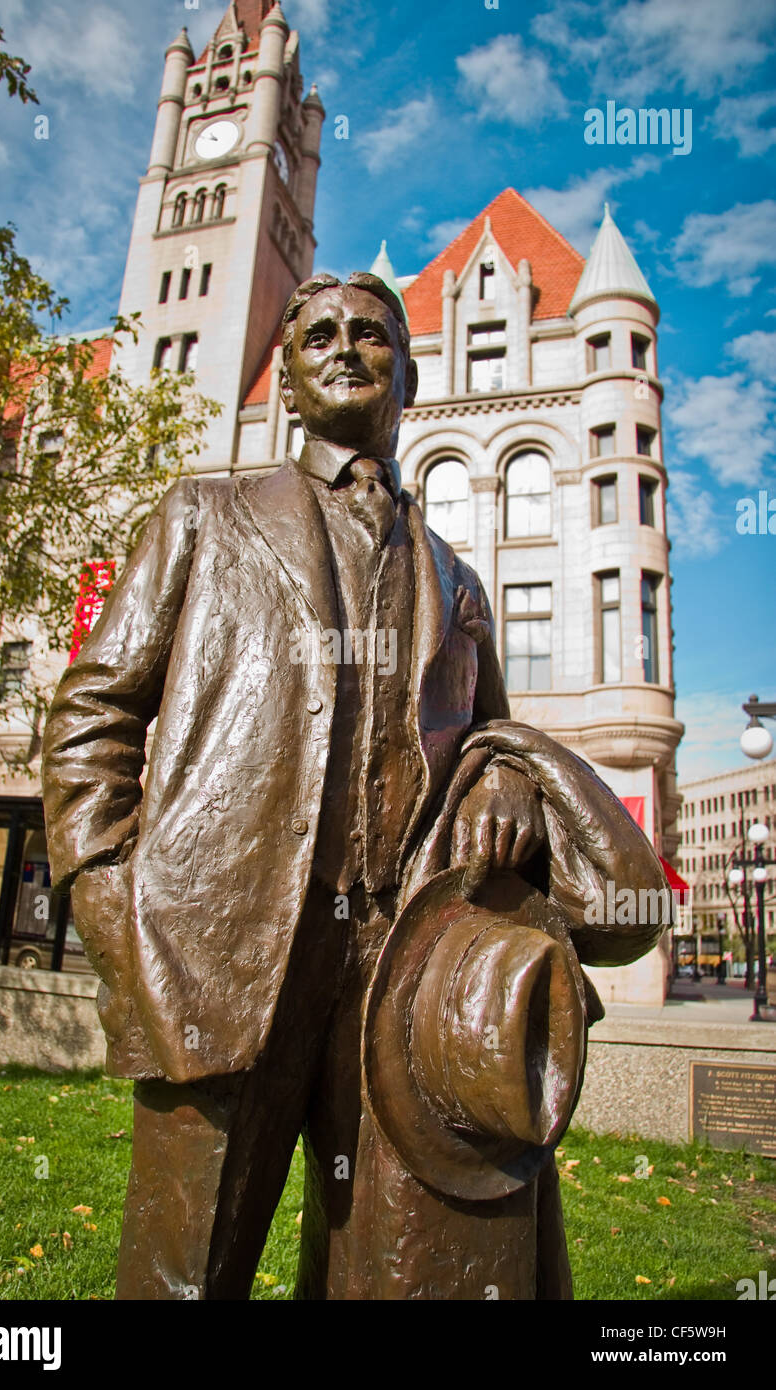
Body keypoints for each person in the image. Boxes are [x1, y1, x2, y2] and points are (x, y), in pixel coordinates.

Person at [41, 271, 667, 1299]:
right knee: (184, 1267)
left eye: (372, 335)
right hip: (219, 949)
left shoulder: (454, 576)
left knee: (387, 1270)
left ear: (407, 378)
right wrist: (110, 896)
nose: (344, 348)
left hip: (397, 973)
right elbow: (91, 713)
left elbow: (489, 733)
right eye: (319, 335)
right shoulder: (204, 514)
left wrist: (499, 774)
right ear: (285, 379)